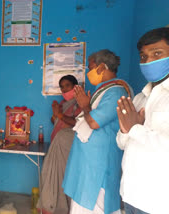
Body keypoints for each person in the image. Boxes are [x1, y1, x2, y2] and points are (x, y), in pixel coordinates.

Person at [62, 49, 133, 214]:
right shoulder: (104, 90)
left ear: (101, 67)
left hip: (99, 165)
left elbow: (93, 122)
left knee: (94, 205)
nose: (89, 72)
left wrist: (85, 106)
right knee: (81, 204)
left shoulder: (116, 92)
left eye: (90, 67)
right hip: (89, 163)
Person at [116, 27, 169, 214]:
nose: (148, 61)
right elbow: (122, 143)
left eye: (157, 53)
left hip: (158, 201)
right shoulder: (140, 97)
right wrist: (125, 130)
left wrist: (134, 129)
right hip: (130, 193)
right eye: (143, 57)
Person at [38, 75, 81, 214]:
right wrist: (55, 115)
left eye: (67, 85)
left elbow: (79, 124)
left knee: (63, 177)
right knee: (49, 174)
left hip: (69, 147)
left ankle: (63, 208)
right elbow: (58, 123)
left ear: (75, 86)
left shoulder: (80, 103)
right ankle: (52, 206)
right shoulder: (62, 103)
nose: (63, 89)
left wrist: (60, 115)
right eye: (61, 87)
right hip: (57, 143)